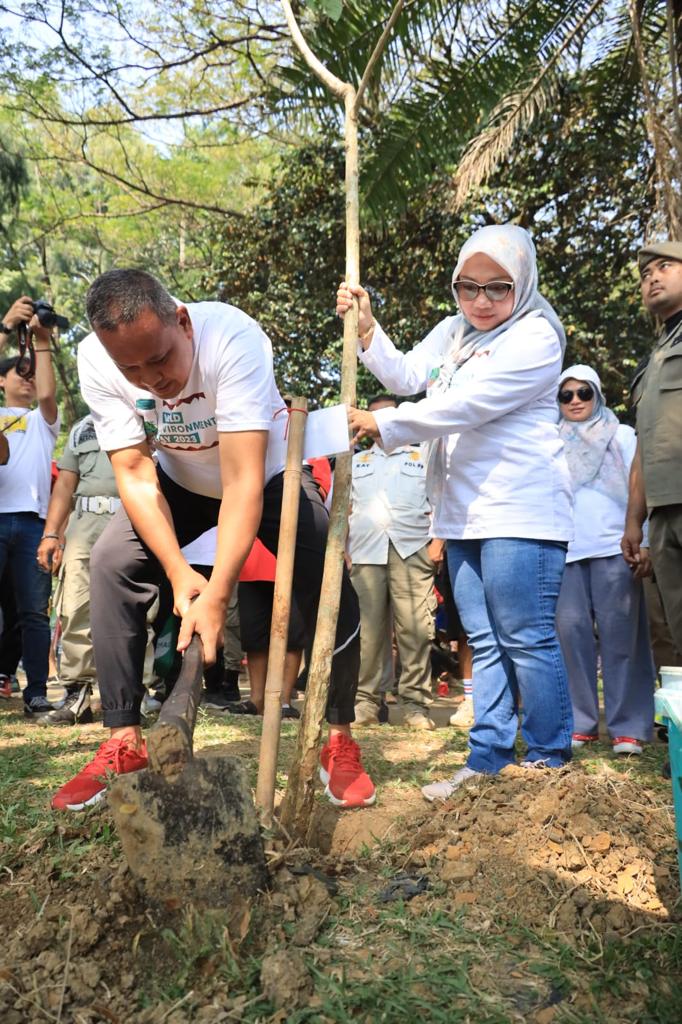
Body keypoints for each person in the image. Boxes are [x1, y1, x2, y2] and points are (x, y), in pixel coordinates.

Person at [51, 269, 374, 812]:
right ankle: (123, 739)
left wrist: (218, 594)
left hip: (267, 473)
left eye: (160, 359)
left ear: (182, 321)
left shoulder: (233, 338)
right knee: (111, 563)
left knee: (326, 572)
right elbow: (133, 472)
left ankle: (337, 736)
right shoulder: (94, 360)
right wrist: (180, 574)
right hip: (179, 479)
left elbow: (244, 481)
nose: (151, 380)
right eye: (131, 369)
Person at [337, 223, 574, 800]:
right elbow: (407, 375)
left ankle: (549, 762)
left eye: (498, 288)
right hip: (465, 513)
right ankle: (488, 761)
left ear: (523, 283)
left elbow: (467, 405)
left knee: (525, 635)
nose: (481, 301)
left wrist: (384, 424)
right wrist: (368, 330)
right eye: (468, 287)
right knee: (487, 640)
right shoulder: (453, 332)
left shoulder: (536, 337)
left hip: (520, 512)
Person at [555, 365, 655, 755]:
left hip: (616, 548)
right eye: (566, 395)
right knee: (570, 638)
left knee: (622, 639)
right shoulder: (547, 440)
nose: (576, 401)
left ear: (598, 395)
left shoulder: (623, 435)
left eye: (584, 393)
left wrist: (643, 540)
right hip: (564, 551)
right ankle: (580, 722)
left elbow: (639, 489)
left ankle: (628, 727)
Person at [349, 393, 438, 729]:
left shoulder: (422, 455)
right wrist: (342, 548)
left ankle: (415, 706)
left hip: (412, 548)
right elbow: (340, 508)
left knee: (415, 629)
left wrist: (437, 543)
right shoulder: (356, 461)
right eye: (373, 417)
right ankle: (366, 704)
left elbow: (441, 501)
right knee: (367, 634)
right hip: (365, 552)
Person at [35, 414, 121, 724]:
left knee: (133, 608)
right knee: (73, 607)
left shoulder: (150, 414)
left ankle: (129, 696)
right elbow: (66, 485)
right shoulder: (83, 427)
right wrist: (51, 533)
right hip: (84, 524)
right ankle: (77, 696)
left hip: (132, 517)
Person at [0, 297, 60, 716]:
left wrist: (40, 342)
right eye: (17, 373)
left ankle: (36, 691)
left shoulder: (43, 420)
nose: (26, 378)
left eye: (31, 375)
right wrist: (5, 327)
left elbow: (49, 392)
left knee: (34, 613)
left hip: (34, 525)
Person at [622, 241, 682, 656]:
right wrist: (633, 522)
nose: (652, 278)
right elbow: (644, 444)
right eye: (645, 275)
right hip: (662, 514)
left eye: (665, 266)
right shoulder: (654, 357)